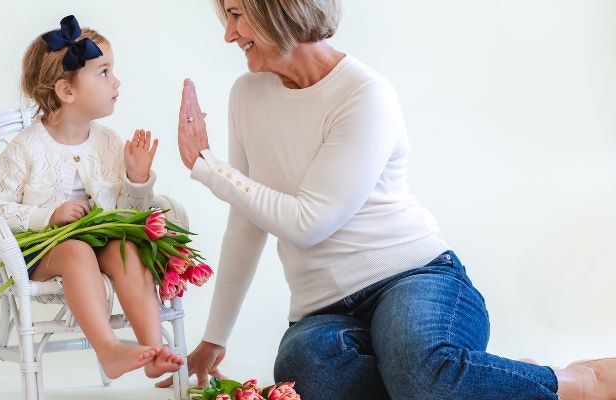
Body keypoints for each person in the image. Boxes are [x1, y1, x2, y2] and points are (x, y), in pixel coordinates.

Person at [158, 1, 616, 399]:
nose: (228, 34)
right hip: (320, 313)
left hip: (413, 279)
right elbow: (247, 218)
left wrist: (206, 165)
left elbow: (309, 221)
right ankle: (465, 382)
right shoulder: (247, 95)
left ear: (278, 8)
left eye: (237, 15)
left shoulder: (364, 94)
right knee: (308, 378)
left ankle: (578, 382)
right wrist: (215, 337)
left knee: (423, 376)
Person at [0, 15, 184, 380]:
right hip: (46, 252)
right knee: (76, 251)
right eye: (104, 72)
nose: (117, 81)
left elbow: (128, 217)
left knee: (128, 249)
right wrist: (49, 215)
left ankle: (156, 349)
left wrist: (137, 180)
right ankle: (108, 350)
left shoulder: (107, 142)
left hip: (101, 244)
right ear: (67, 91)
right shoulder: (27, 147)